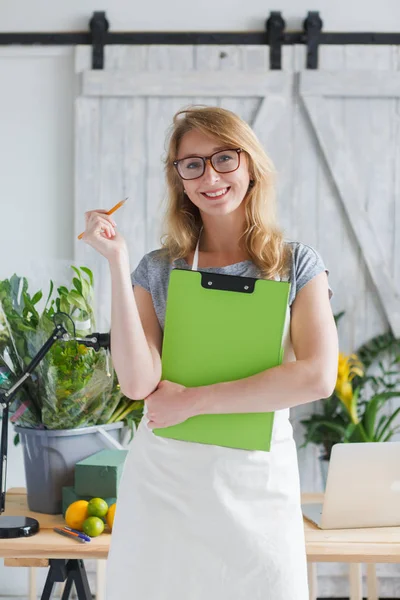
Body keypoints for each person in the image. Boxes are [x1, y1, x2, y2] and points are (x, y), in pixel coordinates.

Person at [82, 106, 338, 600]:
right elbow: (138, 383)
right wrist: (116, 264)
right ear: (178, 178)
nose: (210, 176)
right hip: (166, 484)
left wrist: (193, 399)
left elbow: (316, 377)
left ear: (250, 165)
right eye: (191, 164)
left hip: (257, 482)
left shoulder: (296, 265)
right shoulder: (157, 268)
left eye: (224, 158)